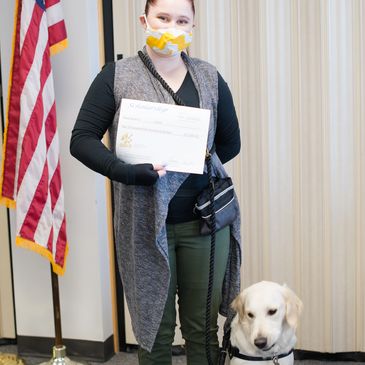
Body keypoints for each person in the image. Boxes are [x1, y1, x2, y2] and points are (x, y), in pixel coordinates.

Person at [70, 0, 241, 364]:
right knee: (154, 335)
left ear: (192, 27)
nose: (171, 27)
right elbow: (81, 139)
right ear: (144, 20)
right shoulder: (116, 76)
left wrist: (194, 155)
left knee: (203, 332)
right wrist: (126, 171)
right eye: (163, 18)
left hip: (204, 225)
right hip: (144, 226)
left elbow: (230, 143)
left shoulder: (209, 77)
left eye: (182, 20)